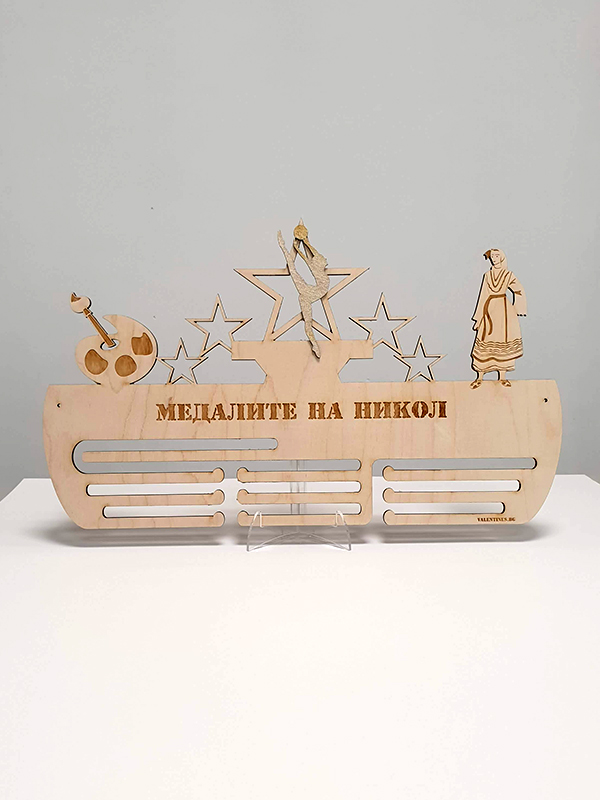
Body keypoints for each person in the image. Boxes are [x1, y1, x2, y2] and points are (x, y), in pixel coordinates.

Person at [470, 249, 527, 388]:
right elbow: (483, 295)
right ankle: (480, 376)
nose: (494, 259)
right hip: (489, 310)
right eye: (492, 257)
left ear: (501, 257)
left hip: (504, 312)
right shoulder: (487, 275)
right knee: (485, 339)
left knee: (503, 340)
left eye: (496, 256)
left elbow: (519, 289)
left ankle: (502, 376)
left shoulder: (508, 275)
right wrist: (479, 317)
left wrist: (517, 308)